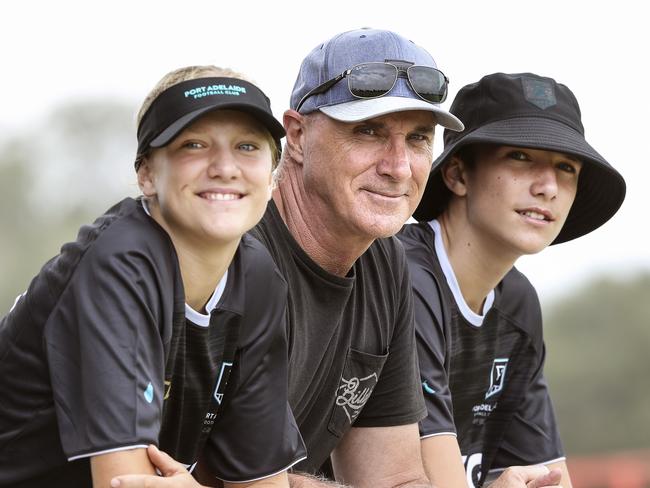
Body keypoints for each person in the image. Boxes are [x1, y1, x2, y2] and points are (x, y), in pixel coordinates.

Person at [113, 31, 568, 488]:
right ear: (297, 136)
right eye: (367, 131)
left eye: (417, 139)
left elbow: (395, 478)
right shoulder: (229, 247)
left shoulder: (385, 260)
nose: (398, 167)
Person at [0, 65, 306, 487]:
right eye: (194, 145)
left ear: (273, 175)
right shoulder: (120, 262)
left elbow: (266, 483)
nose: (225, 167)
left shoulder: (257, 277)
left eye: (247, 146)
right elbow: (124, 483)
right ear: (146, 174)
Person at [398, 72, 626, 488]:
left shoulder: (517, 301)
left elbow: (550, 478)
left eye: (566, 167)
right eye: (520, 157)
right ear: (458, 175)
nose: (548, 187)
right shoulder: (403, 276)